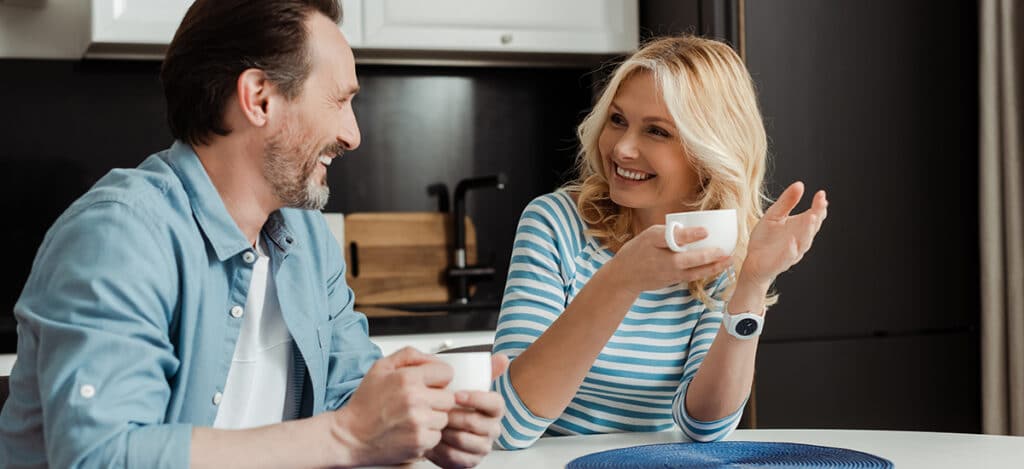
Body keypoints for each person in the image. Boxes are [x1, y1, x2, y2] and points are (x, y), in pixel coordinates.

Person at [0, 1, 506, 468]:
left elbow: (348, 395)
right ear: (259, 98)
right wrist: (349, 435)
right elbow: (100, 455)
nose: (354, 134)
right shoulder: (119, 235)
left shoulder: (306, 239)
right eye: (339, 100)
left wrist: (418, 425)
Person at [491, 35, 829, 449]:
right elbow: (507, 425)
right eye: (617, 120)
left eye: (656, 131)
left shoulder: (721, 247)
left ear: (709, 152)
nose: (622, 148)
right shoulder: (554, 223)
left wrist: (752, 286)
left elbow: (704, 428)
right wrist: (622, 280)